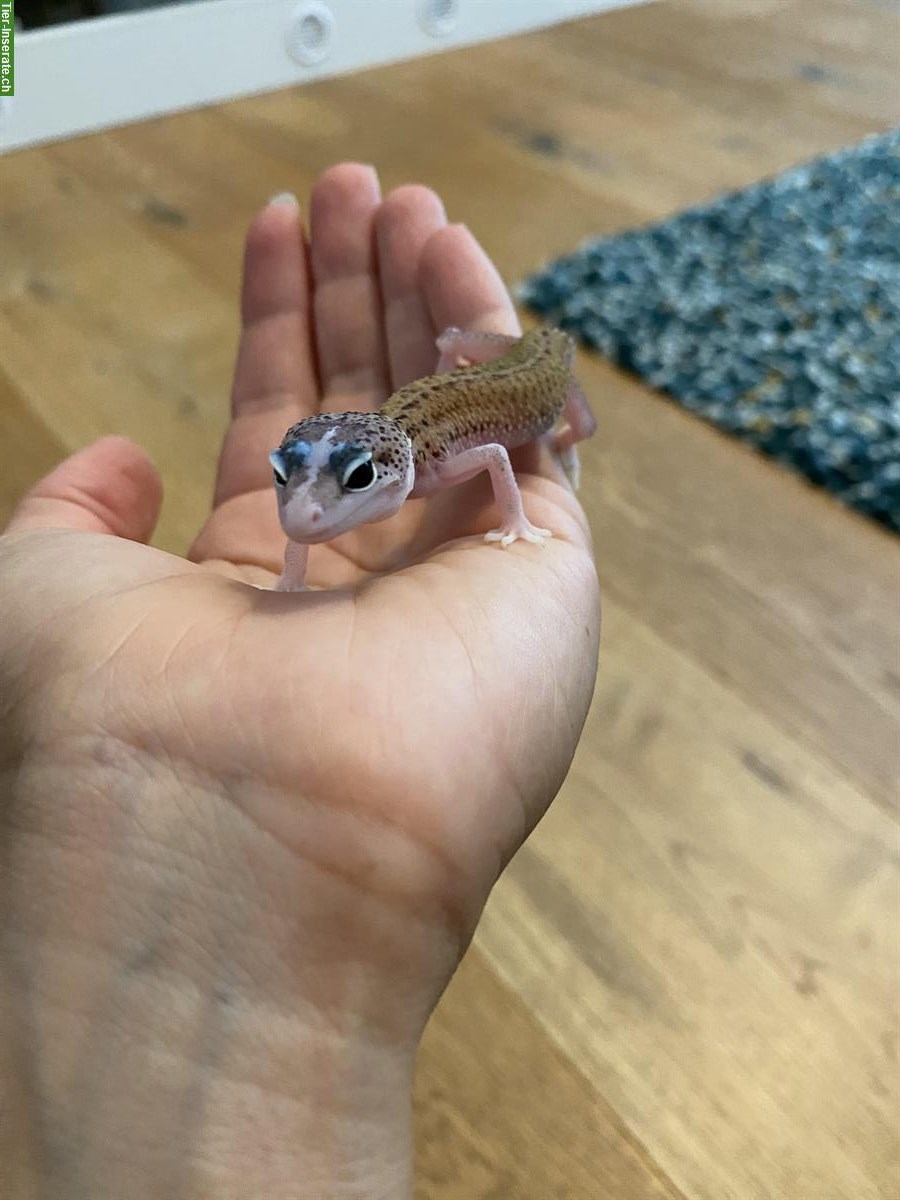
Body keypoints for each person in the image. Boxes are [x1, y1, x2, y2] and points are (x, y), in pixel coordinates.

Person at [0, 164, 600, 1198]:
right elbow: (303, 532)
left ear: (398, 469)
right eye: (294, 482)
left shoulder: (458, 451)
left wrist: (524, 506)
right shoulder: (330, 485)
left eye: (347, 486)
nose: (303, 517)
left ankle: (559, 401)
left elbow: (506, 467)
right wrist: (285, 581)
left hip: (523, 383)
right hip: (448, 385)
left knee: (563, 420)